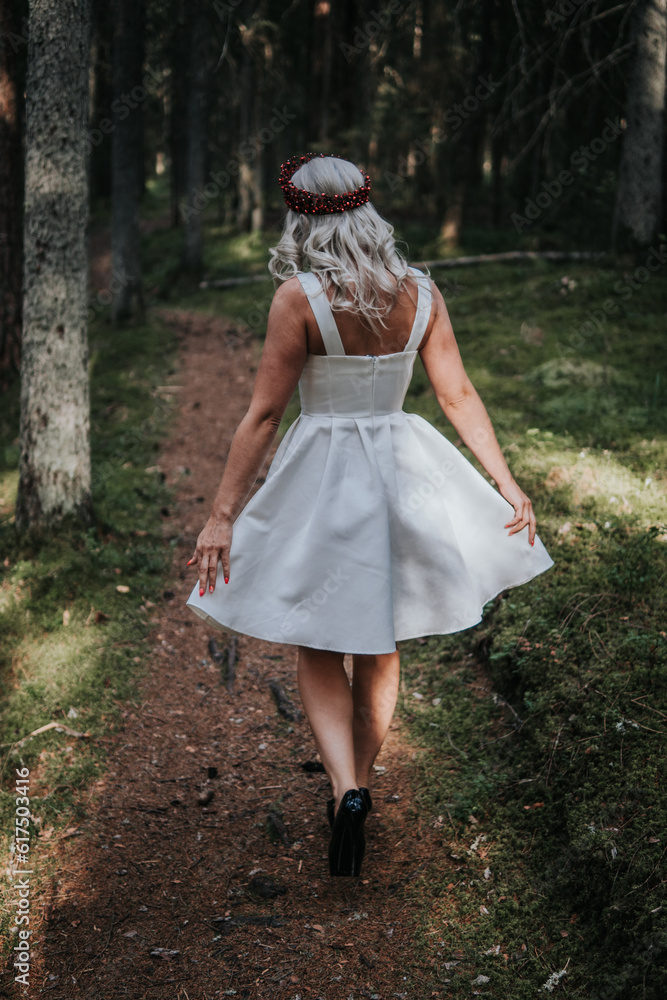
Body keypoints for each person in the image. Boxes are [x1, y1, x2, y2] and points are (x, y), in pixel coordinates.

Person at [185, 152, 555, 877]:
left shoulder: (299, 298)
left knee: (320, 641)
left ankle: (344, 789)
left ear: (300, 218)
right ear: (368, 210)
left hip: (323, 474)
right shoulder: (420, 290)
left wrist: (222, 515)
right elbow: (458, 396)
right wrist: (507, 484)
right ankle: (360, 785)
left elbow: (263, 416)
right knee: (380, 641)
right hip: (399, 468)